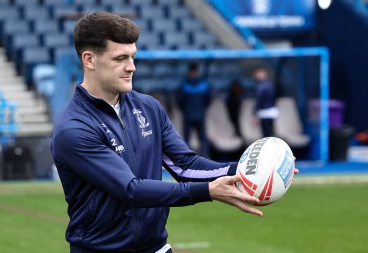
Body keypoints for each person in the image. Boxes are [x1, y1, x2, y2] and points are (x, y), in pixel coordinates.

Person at [51, 12, 297, 253]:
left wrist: (250, 170)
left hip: (157, 247)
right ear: (89, 60)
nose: (131, 67)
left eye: (133, 57)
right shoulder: (74, 129)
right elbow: (131, 190)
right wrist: (207, 191)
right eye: (120, 59)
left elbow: (184, 165)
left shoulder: (148, 107)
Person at [177, 62, 211, 157]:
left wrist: (185, 110)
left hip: (192, 114)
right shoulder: (203, 84)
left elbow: (180, 101)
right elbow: (207, 100)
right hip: (194, 114)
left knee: (200, 139)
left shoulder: (185, 85)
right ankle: (191, 159)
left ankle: (204, 159)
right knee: (191, 139)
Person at [252, 65, 279, 137]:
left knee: (266, 134)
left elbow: (259, 101)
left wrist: (254, 113)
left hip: (264, 112)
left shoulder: (261, 86)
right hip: (272, 111)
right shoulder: (271, 84)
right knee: (270, 132)